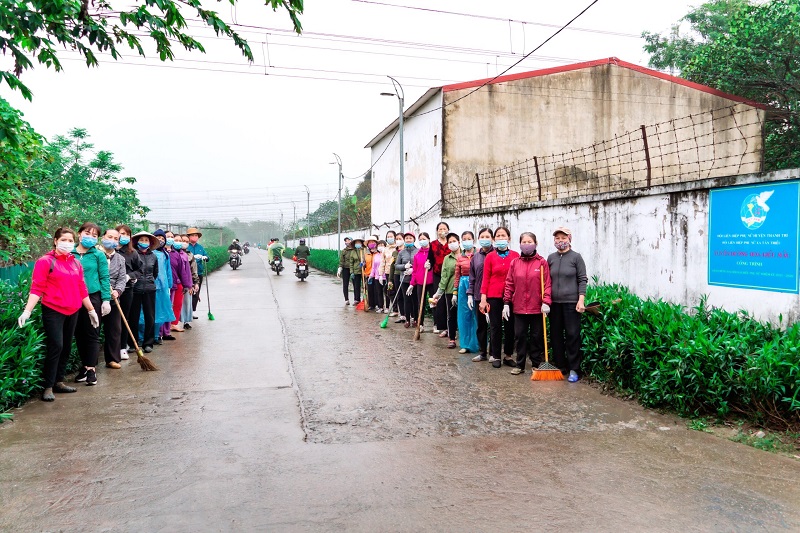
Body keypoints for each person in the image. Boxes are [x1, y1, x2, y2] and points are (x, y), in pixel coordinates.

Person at [18, 228, 97, 401]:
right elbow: (37, 288)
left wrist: (91, 310)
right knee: (56, 345)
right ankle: (48, 386)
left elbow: (81, 288)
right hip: (53, 310)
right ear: (55, 241)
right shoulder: (45, 261)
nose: (67, 243)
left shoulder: (76, 263)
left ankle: (58, 382)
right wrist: (27, 310)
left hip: (73, 310)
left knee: (66, 346)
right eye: (63, 240)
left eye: (70, 240)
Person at [504, 232, 552, 375]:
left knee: (536, 337)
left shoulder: (541, 262)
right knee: (520, 336)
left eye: (529, 242)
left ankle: (536, 364)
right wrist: (506, 302)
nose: (526, 245)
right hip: (519, 307)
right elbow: (509, 283)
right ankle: (520, 365)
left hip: (537, 307)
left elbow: (547, 284)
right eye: (524, 242)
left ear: (535, 244)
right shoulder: (515, 263)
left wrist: (546, 302)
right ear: (519, 244)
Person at [548, 227, 588, 382]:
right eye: (557, 238)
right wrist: (545, 301)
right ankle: (561, 366)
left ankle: (574, 369)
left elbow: (582, 279)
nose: (560, 241)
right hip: (554, 304)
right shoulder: (551, 258)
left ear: (569, 238)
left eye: (563, 238)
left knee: (572, 335)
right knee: (556, 336)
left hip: (571, 303)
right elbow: (546, 281)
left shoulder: (576, 257)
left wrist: (581, 300)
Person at [72, 222, 111, 386]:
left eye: (94, 235)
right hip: (72, 297)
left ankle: (91, 369)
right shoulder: (70, 253)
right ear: (79, 234)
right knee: (78, 334)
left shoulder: (98, 255)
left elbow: (104, 278)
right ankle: (85, 366)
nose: (90, 237)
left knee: (92, 333)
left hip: (93, 297)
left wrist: (106, 299)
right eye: (87, 233)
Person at [479, 227, 518, 369]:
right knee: (495, 326)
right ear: (494, 239)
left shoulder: (515, 256)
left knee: (510, 326)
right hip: (493, 296)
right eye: (498, 236)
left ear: (509, 238)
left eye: (503, 235)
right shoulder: (490, 256)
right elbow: (485, 278)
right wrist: (483, 299)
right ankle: (495, 355)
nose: (501, 238)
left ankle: (508, 355)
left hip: (511, 296)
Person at [99, 227, 127, 369]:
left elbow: (122, 278)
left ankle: (112, 359)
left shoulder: (120, 259)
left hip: (113, 298)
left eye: (116, 238)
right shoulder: (95, 254)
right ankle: (90, 363)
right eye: (110, 237)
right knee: (93, 330)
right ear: (103, 238)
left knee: (114, 330)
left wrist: (117, 291)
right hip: (96, 297)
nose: (113, 240)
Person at [128, 232, 159, 353]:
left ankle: (148, 343)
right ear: (137, 242)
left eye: (146, 240)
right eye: (142, 240)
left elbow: (155, 272)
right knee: (133, 317)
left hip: (150, 289)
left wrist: (149, 282)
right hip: (135, 289)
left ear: (150, 243)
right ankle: (133, 343)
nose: (144, 242)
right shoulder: (133, 254)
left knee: (150, 317)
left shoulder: (153, 256)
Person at [467, 228, 494, 361]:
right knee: (481, 326)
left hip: (494, 295)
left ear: (492, 239)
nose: (484, 239)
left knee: (494, 326)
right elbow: (472, 278)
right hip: (479, 295)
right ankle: (483, 352)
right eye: (482, 237)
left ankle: (494, 353)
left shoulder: (496, 255)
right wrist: (470, 294)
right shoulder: (476, 257)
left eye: (487, 236)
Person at [116, 224, 141, 360]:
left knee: (124, 318)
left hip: (126, 290)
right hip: (111, 290)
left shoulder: (132, 253)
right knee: (112, 320)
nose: (124, 236)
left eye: (127, 234)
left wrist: (130, 276)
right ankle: (113, 347)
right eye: (121, 233)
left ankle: (122, 347)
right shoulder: (109, 251)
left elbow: (140, 270)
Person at [431, 233, 460, 348]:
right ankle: (452, 339)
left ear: (459, 242)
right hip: (450, 290)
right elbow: (444, 277)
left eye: (454, 241)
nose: (452, 244)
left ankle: (466, 340)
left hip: (464, 290)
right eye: (450, 242)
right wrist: (438, 293)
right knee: (451, 315)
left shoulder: (466, 256)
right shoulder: (447, 259)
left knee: (465, 316)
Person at [455, 231, 479, 354]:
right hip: (463, 286)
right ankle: (465, 344)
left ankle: (477, 343)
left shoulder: (479, 254)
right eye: (464, 239)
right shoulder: (460, 257)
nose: (466, 241)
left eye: (468, 238)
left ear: (473, 240)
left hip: (477, 284)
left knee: (477, 315)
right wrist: (455, 292)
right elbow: (457, 275)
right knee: (464, 316)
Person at [407, 232, 435, 332]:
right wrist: (412, 284)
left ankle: (436, 324)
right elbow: (415, 271)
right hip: (420, 282)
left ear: (428, 239)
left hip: (431, 281)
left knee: (433, 303)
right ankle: (420, 324)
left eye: (424, 239)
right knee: (421, 303)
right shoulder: (417, 255)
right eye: (420, 239)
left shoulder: (432, 253)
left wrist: (431, 265)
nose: (422, 241)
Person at [151, 229, 175, 344]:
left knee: (159, 312)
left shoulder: (165, 254)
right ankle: (142, 337)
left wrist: (169, 285)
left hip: (162, 287)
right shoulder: (149, 253)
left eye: (162, 239)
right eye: (158, 238)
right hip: (150, 287)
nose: (160, 240)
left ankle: (156, 336)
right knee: (146, 312)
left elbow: (168, 271)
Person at [167, 231, 192, 333]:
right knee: (168, 305)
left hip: (179, 282)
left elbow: (185, 271)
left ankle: (174, 323)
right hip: (168, 283)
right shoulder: (166, 253)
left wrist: (188, 284)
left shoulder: (182, 255)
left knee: (178, 304)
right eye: (175, 240)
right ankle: (166, 326)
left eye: (179, 240)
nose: (178, 242)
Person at [430, 222, 450, 334]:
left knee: (450, 299)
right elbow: (430, 260)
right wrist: (428, 265)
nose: (442, 231)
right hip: (437, 274)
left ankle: (450, 326)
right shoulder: (432, 244)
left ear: (448, 230)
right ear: (437, 231)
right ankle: (440, 325)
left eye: (444, 228)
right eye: (440, 229)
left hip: (451, 275)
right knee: (439, 300)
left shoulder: (451, 242)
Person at [177, 234, 199, 329]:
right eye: (183, 241)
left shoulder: (190, 255)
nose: (184, 243)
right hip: (177, 281)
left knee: (187, 302)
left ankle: (186, 321)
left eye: (186, 242)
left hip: (187, 281)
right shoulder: (174, 253)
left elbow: (193, 270)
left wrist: (195, 283)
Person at [395, 232, 417, 326]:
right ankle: (407, 319)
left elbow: (421, 265)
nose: (408, 240)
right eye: (407, 238)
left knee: (415, 300)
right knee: (406, 300)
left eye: (410, 238)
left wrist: (413, 269)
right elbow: (396, 265)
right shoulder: (401, 253)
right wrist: (404, 266)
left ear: (414, 239)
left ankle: (415, 319)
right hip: (404, 280)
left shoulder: (418, 251)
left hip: (415, 280)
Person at [186, 227, 208, 316]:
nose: (194, 237)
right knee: (188, 292)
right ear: (188, 237)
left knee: (196, 292)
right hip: (188, 273)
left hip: (198, 273)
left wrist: (205, 257)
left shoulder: (200, 247)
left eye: (196, 235)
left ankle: (192, 311)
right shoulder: (186, 246)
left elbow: (207, 256)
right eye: (192, 235)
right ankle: (186, 311)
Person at [369, 239, 387, 313]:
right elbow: (374, 267)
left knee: (387, 293)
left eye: (382, 245)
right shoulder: (376, 256)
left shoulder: (387, 255)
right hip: (377, 276)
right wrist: (371, 275)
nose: (380, 247)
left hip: (385, 276)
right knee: (379, 292)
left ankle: (387, 307)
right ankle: (380, 306)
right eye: (379, 245)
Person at [383, 231, 399, 316]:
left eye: (391, 236)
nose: (389, 238)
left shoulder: (397, 248)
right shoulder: (385, 249)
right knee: (390, 291)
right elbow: (383, 261)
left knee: (397, 291)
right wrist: (380, 274)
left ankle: (401, 311)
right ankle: (395, 309)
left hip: (396, 273)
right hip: (388, 273)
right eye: (388, 237)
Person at [347, 237, 365, 305]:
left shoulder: (364, 250)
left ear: (361, 243)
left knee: (365, 286)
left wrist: (364, 263)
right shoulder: (353, 252)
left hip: (363, 271)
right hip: (356, 271)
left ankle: (365, 299)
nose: (358, 244)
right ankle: (357, 299)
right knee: (356, 286)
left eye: (359, 242)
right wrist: (351, 272)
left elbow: (368, 259)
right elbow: (351, 263)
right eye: (356, 243)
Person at [337, 237, 353, 305]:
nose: (347, 242)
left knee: (356, 284)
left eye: (348, 240)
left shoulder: (355, 250)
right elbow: (341, 261)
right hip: (346, 269)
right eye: (346, 241)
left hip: (354, 269)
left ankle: (357, 299)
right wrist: (340, 268)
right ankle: (346, 299)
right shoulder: (344, 251)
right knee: (345, 284)